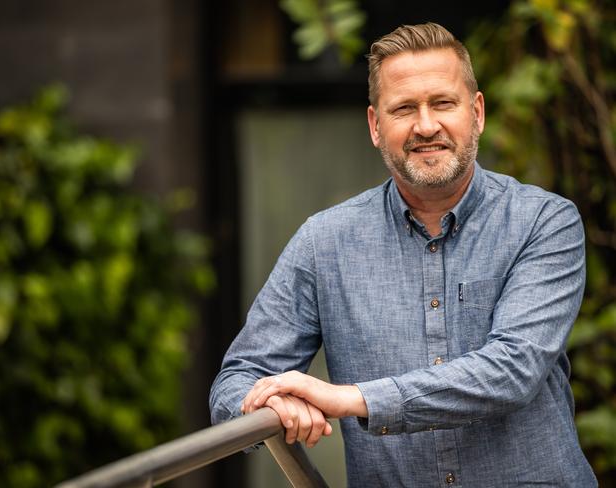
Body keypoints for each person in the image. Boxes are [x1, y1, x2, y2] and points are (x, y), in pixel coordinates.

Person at [209, 22, 597, 487]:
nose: (426, 125)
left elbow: (513, 370)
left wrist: (353, 399)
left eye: (443, 103)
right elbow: (237, 381)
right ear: (376, 126)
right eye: (404, 108)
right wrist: (270, 403)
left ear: (477, 112)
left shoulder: (543, 222)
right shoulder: (324, 242)